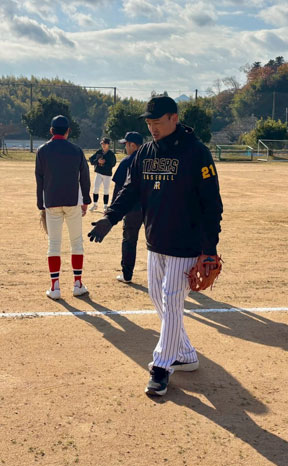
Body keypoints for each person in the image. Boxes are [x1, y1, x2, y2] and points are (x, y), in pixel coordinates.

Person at [88, 95, 223, 396]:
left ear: (174, 118)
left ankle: (161, 367)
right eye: (149, 123)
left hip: (186, 243)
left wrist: (209, 248)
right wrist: (110, 218)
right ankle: (185, 354)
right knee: (157, 297)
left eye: (157, 122)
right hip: (155, 240)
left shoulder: (196, 152)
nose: (152, 128)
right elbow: (131, 189)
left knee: (172, 300)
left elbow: (212, 204)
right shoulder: (146, 153)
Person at [35, 115, 91, 300]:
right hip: (73, 200)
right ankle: (77, 284)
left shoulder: (42, 151)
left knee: (54, 244)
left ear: (51, 131)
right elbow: (84, 177)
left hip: (51, 201)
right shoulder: (76, 150)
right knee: (77, 242)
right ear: (68, 131)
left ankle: (55, 287)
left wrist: (40, 203)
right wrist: (85, 200)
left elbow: (39, 178)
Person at [112, 131, 144, 283]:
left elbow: (119, 188)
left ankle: (127, 274)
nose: (125, 147)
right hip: (151, 208)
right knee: (156, 242)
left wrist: (113, 209)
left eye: (126, 144)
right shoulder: (151, 160)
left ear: (133, 145)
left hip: (132, 208)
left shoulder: (127, 161)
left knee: (129, 240)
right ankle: (165, 275)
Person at [88, 137, 117, 212]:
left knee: (106, 190)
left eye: (105, 144)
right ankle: (95, 204)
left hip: (107, 174)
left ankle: (105, 206)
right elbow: (91, 160)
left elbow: (113, 164)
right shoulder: (99, 152)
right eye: (102, 144)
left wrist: (105, 162)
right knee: (95, 189)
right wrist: (98, 161)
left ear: (108, 144)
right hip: (99, 173)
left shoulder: (111, 154)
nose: (103, 145)